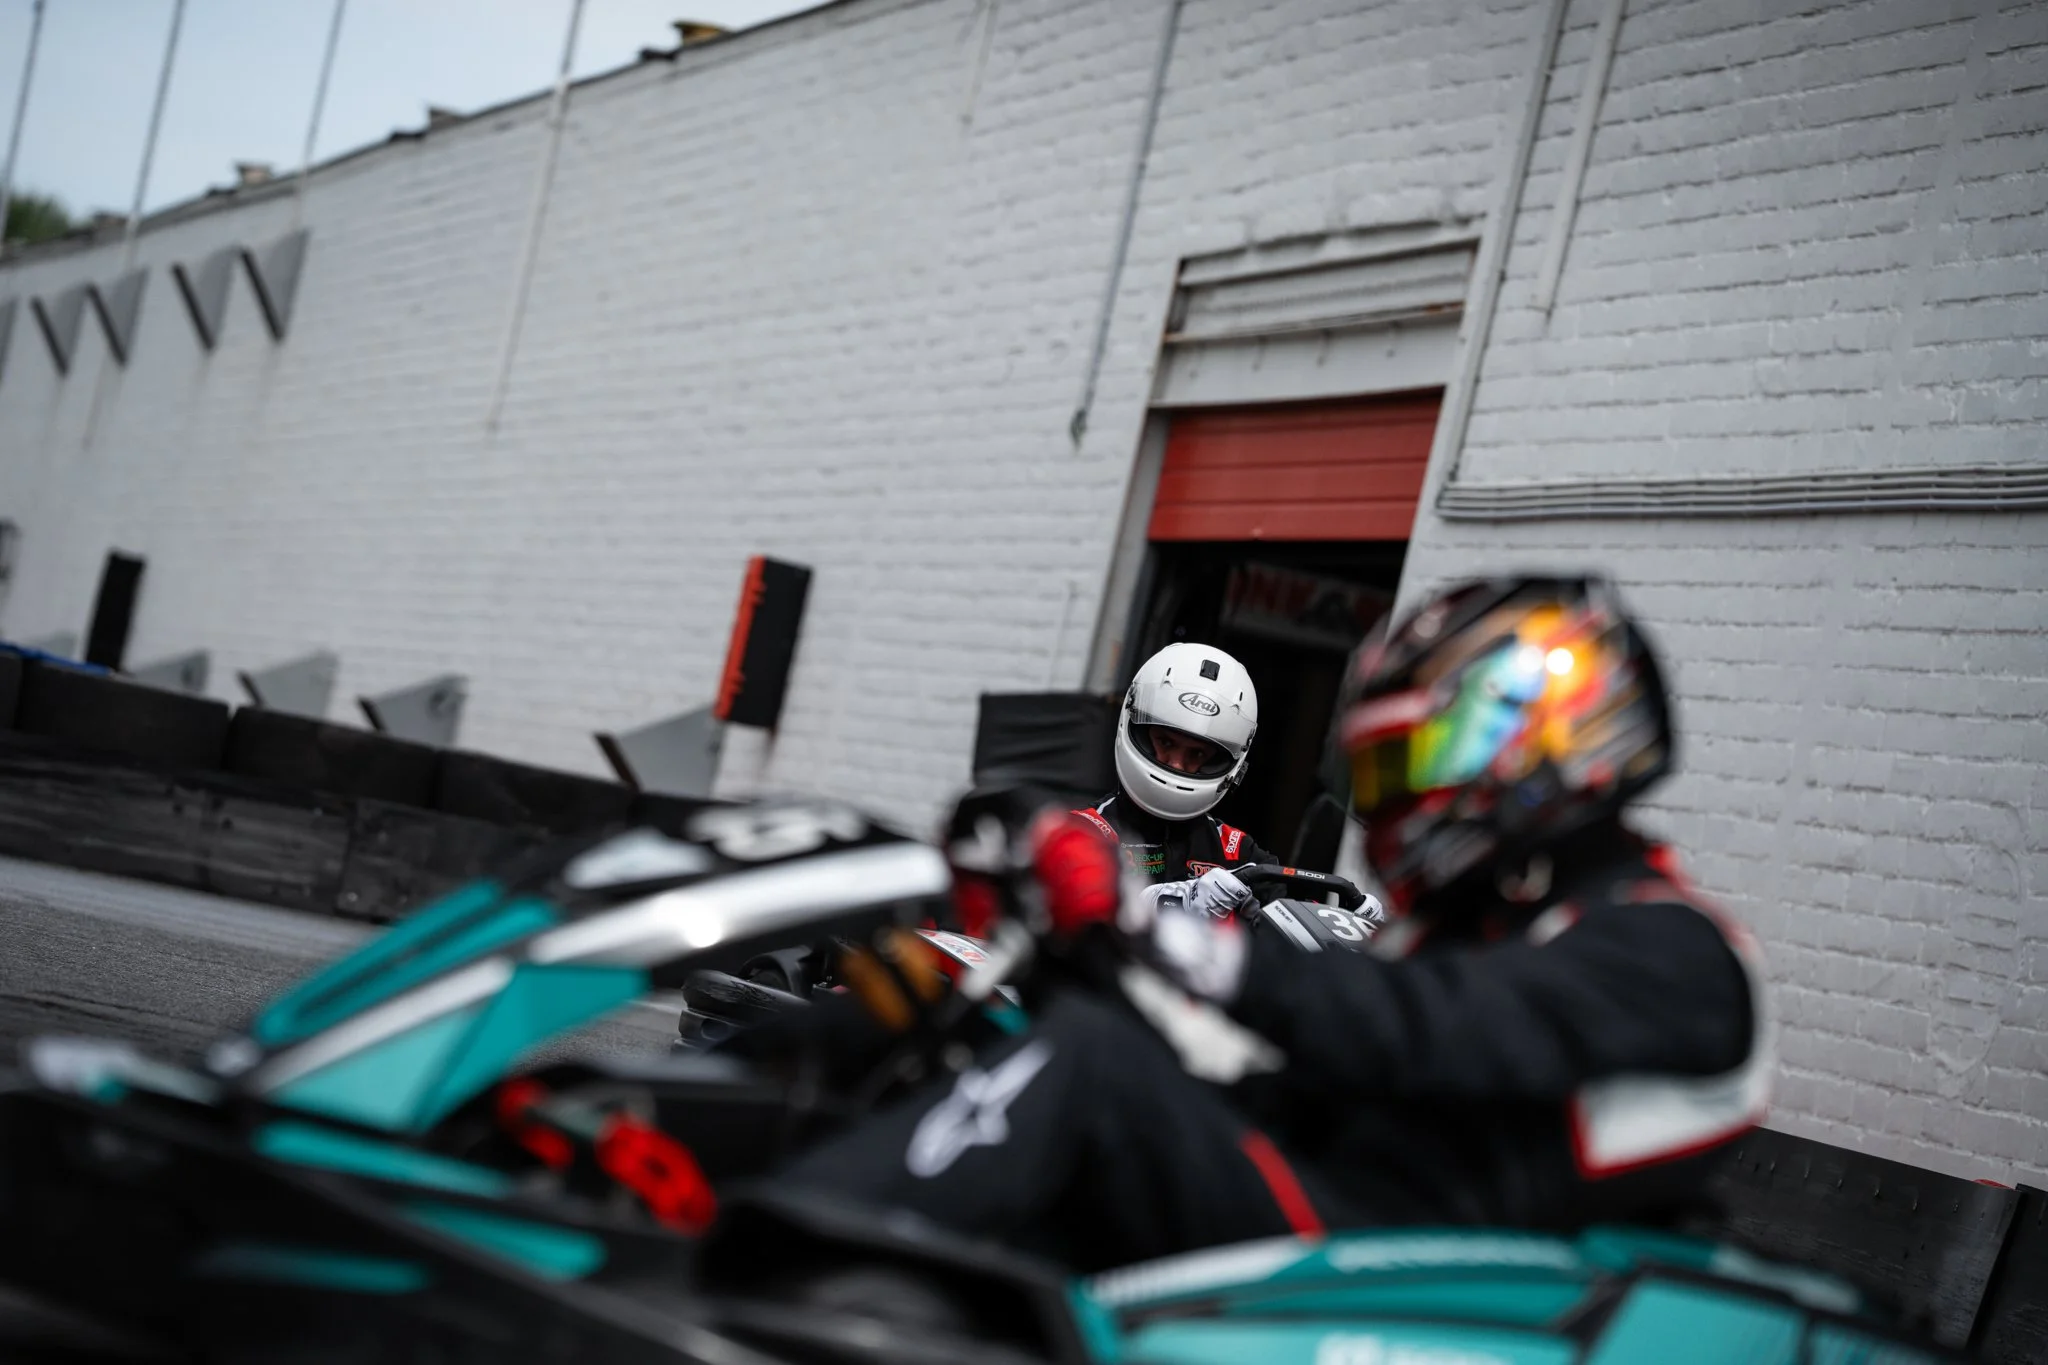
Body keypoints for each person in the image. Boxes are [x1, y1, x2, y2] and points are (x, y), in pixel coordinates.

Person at [776, 575, 1769, 1272]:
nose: (1391, 810)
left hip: (1403, 1260)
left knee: (1091, 1068)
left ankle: (769, 1255)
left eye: (1404, 773)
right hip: (1346, 1206)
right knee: (1023, 1018)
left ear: (1534, 755)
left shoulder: (1672, 949)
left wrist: (1153, 929)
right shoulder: (1491, 930)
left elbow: (1417, 1025)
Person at [1075, 642, 1276, 918]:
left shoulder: (1236, 852)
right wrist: (1170, 901)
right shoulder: (1087, 831)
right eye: (1166, 742)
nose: (1176, 763)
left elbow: (1298, 916)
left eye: (1196, 753)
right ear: (1139, 731)